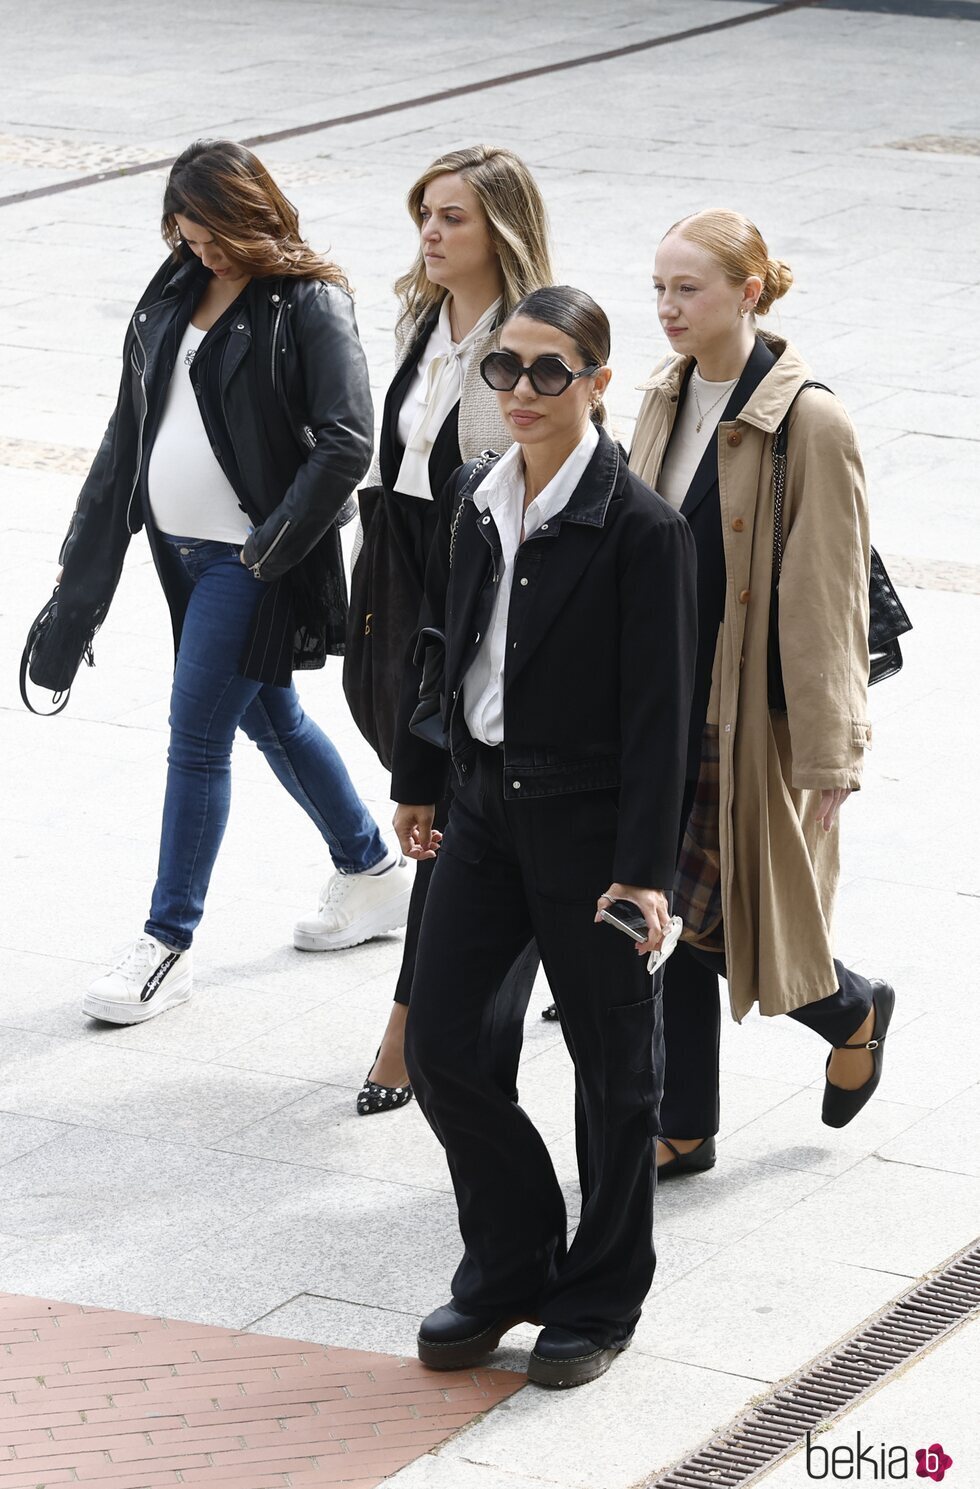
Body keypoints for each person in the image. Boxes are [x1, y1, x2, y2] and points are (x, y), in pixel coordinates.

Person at [391, 287, 697, 1388]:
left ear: (597, 383)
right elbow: (447, 646)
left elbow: (663, 718)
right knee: (443, 1049)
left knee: (615, 1075)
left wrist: (645, 877)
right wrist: (420, 775)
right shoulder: (475, 493)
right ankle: (510, 1260)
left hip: (590, 827)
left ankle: (600, 1296)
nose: (521, 391)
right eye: (504, 369)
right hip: (479, 809)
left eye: (548, 371)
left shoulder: (641, 530)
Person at [50, 138, 411, 1025]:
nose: (202, 249)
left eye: (216, 234)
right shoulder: (173, 287)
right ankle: (369, 871)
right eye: (186, 231)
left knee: (196, 732)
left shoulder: (308, 300)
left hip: (252, 560)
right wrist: (84, 550)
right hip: (180, 553)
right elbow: (129, 424)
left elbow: (346, 441)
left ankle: (165, 942)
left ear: (256, 217)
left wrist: (267, 549)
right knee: (268, 714)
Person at [629, 209, 897, 1178]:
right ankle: (685, 1121)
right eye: (656, 286)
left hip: (744, 712)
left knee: (727, 918)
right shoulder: (660, 394)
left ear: (748, 293)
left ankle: (847, 1006)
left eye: (686, 288)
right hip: (660, 698)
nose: (665, 307)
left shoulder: (807, 421)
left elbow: (827, 597)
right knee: (674, 914)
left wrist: (832, 757)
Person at [333, 145, 554, 1115]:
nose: (430, 231)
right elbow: (402, 451)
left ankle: (405, 1030)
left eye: (452, 216)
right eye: (424, 212)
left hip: (482, 579)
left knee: (450, 805)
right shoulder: (424, 318)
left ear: (498, 227)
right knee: (426, 777)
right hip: (406, 559)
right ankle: (542, 925)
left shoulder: (531, 332)